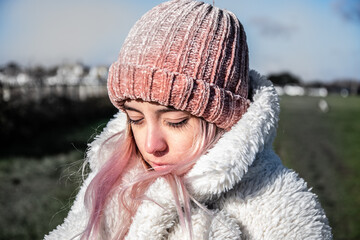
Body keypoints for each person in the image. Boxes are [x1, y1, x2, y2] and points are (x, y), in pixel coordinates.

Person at [45, 0, 332, 239]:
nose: (150, 144)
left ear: (224, 119)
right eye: (135, 118)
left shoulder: (281, 208)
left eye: (175, 121)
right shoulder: (110, 182)